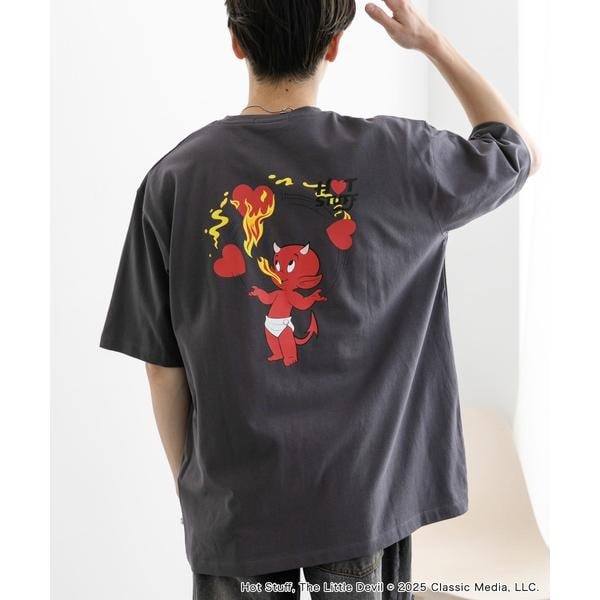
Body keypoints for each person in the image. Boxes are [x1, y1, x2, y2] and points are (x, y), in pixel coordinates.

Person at [99, 0, 540, 598]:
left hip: (238, 508)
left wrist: (195, 492)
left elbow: (161, 368)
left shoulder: (174, 179)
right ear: (334, 45)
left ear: (236, 41)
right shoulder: (400, 157)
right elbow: (517, 152)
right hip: (361, 498)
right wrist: (431, 42)